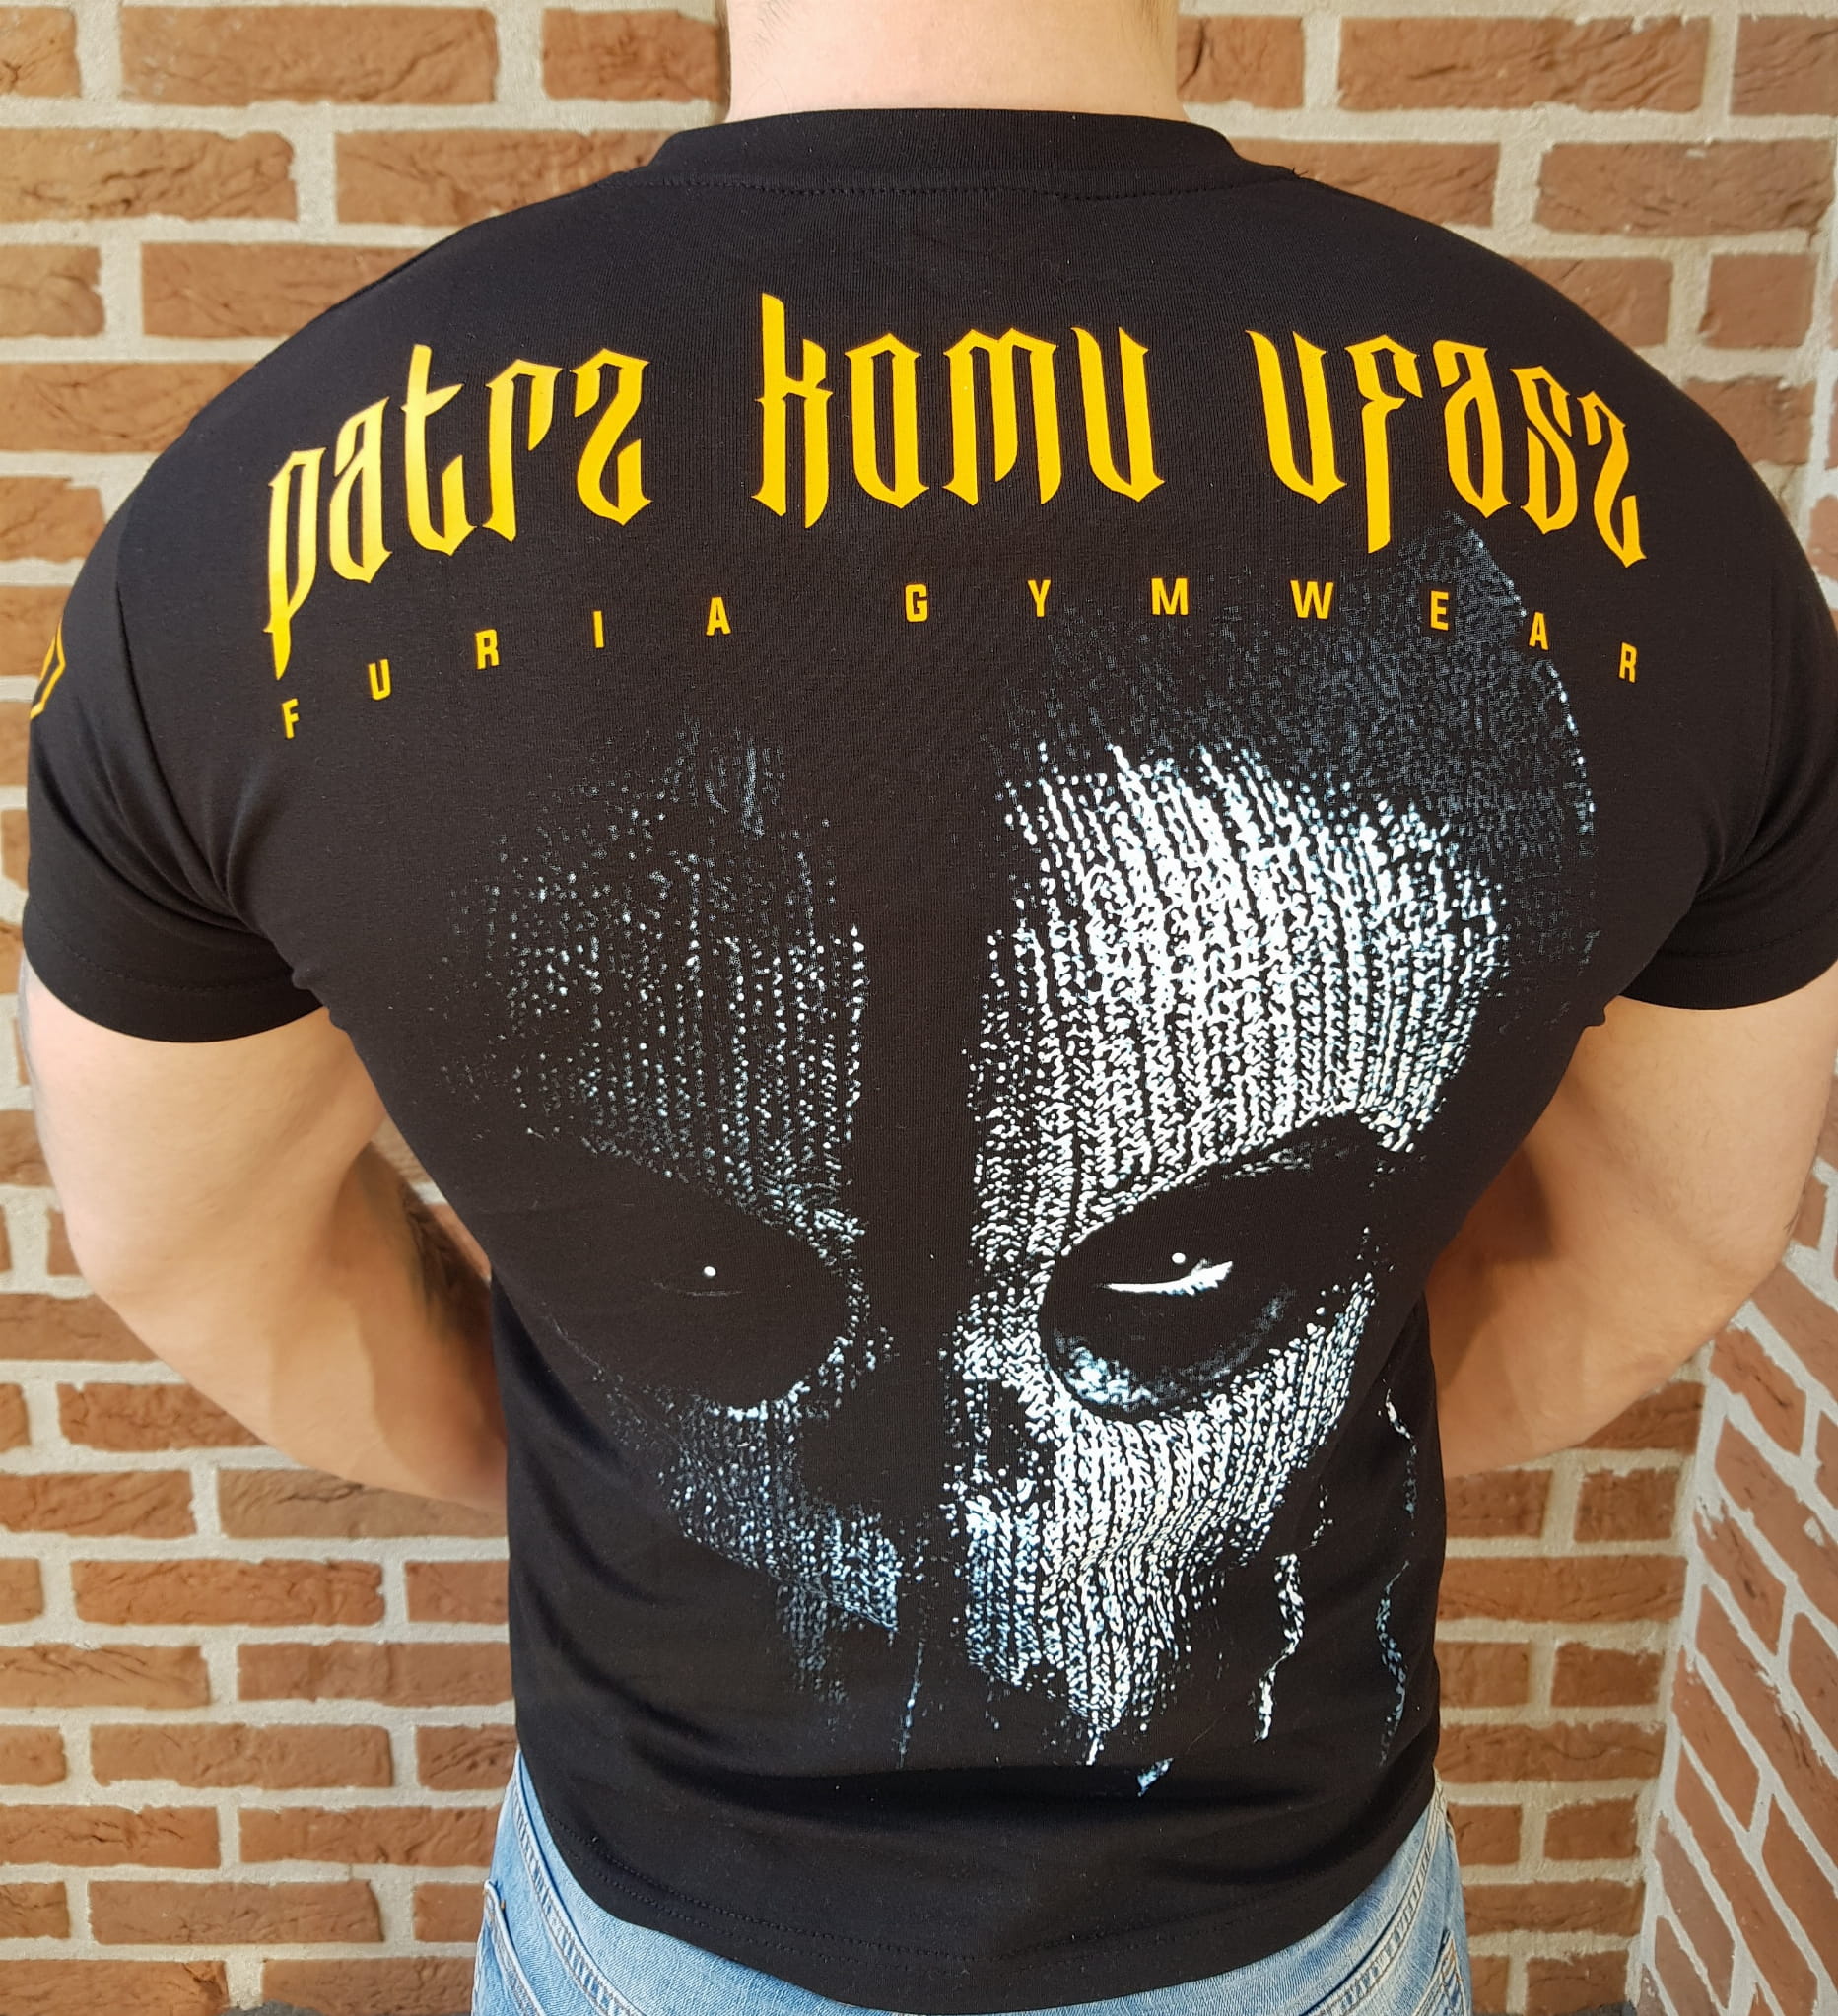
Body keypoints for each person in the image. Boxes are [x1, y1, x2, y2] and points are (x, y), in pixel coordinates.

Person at [20, 0, 1838, 2010]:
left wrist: (592, 1438)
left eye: (1179, 1272)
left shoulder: (255, 530)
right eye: (715, 1272)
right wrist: (1282, 1413)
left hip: (660, 1924)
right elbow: (1662, 1231)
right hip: (1286, 1920)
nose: (951, 1514)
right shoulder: (1655, 513)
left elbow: (188, 1240)